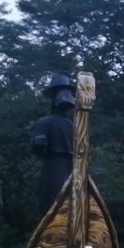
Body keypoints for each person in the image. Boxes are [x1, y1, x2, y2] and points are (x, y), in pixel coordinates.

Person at [32, 75, 77, 213]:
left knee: (51, 209)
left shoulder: (44, 122)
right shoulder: (73, 126)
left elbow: (39, 147)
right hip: (73, 171)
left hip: (53, 170)